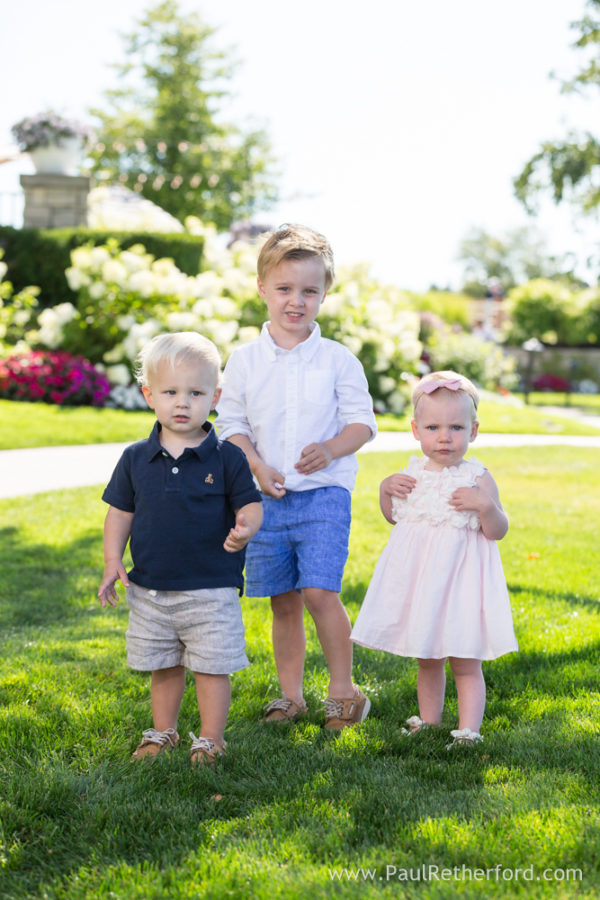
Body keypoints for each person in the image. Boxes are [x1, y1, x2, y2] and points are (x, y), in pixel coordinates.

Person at [216, 223, 377, 730]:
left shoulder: (337, 360)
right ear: (263, 288)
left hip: (323, 495)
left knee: (319, 593)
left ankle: (343, 692)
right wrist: (257, 468)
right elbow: (233, 426)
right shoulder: (243, 361)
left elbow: (362, 423)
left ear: (324, 293)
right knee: (283, 601)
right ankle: (290, 697)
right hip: (266, 498)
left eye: (309, 291)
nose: (296, 301)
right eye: (284, 289)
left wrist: (331, 449)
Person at [98, 332, 263, 764]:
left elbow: (250, 504)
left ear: (215, 397)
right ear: (150, 394)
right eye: (170, 392)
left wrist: (246, 528)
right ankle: (163, 731)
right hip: (151, 588)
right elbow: (119, 511)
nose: (182, 402)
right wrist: (113, 559)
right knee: (164, 665)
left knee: (212, 666)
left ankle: (211, 739)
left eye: (195, 392)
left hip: (211, 586)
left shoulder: (227, 458)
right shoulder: (136, 458)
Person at [351, 370, 517, 747]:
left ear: (473, 431)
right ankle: (429, 721)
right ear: (416, 429)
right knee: (427, 656)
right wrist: (383, 491)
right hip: (422, 582)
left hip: (463, 582)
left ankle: (469, 730)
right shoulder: (410, 473)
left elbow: (498, 529)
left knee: (464, 657)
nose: (445, 436)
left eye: (456, 427)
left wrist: (485, 505)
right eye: (434, 427)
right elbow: (394, 516)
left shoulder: (478, 478)